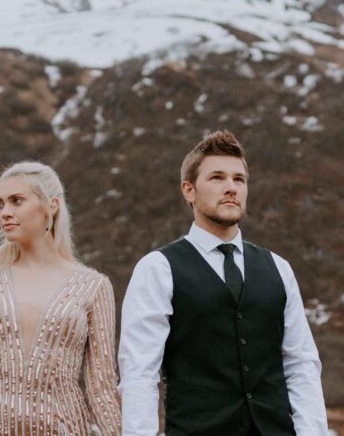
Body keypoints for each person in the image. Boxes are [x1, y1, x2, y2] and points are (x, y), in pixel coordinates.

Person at [118, 130, 328, 436]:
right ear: (188, 190)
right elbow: (140, 373)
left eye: (239, 179)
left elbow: (301, 364)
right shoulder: (158, 268)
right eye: (217, 178)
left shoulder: (278, 268)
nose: (231, 188)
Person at [0, 161, 121, 436]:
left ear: (52, 206)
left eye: (17, 201)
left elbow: (101, 387)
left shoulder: (93, 287)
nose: (5, 213)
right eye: (0, 204)